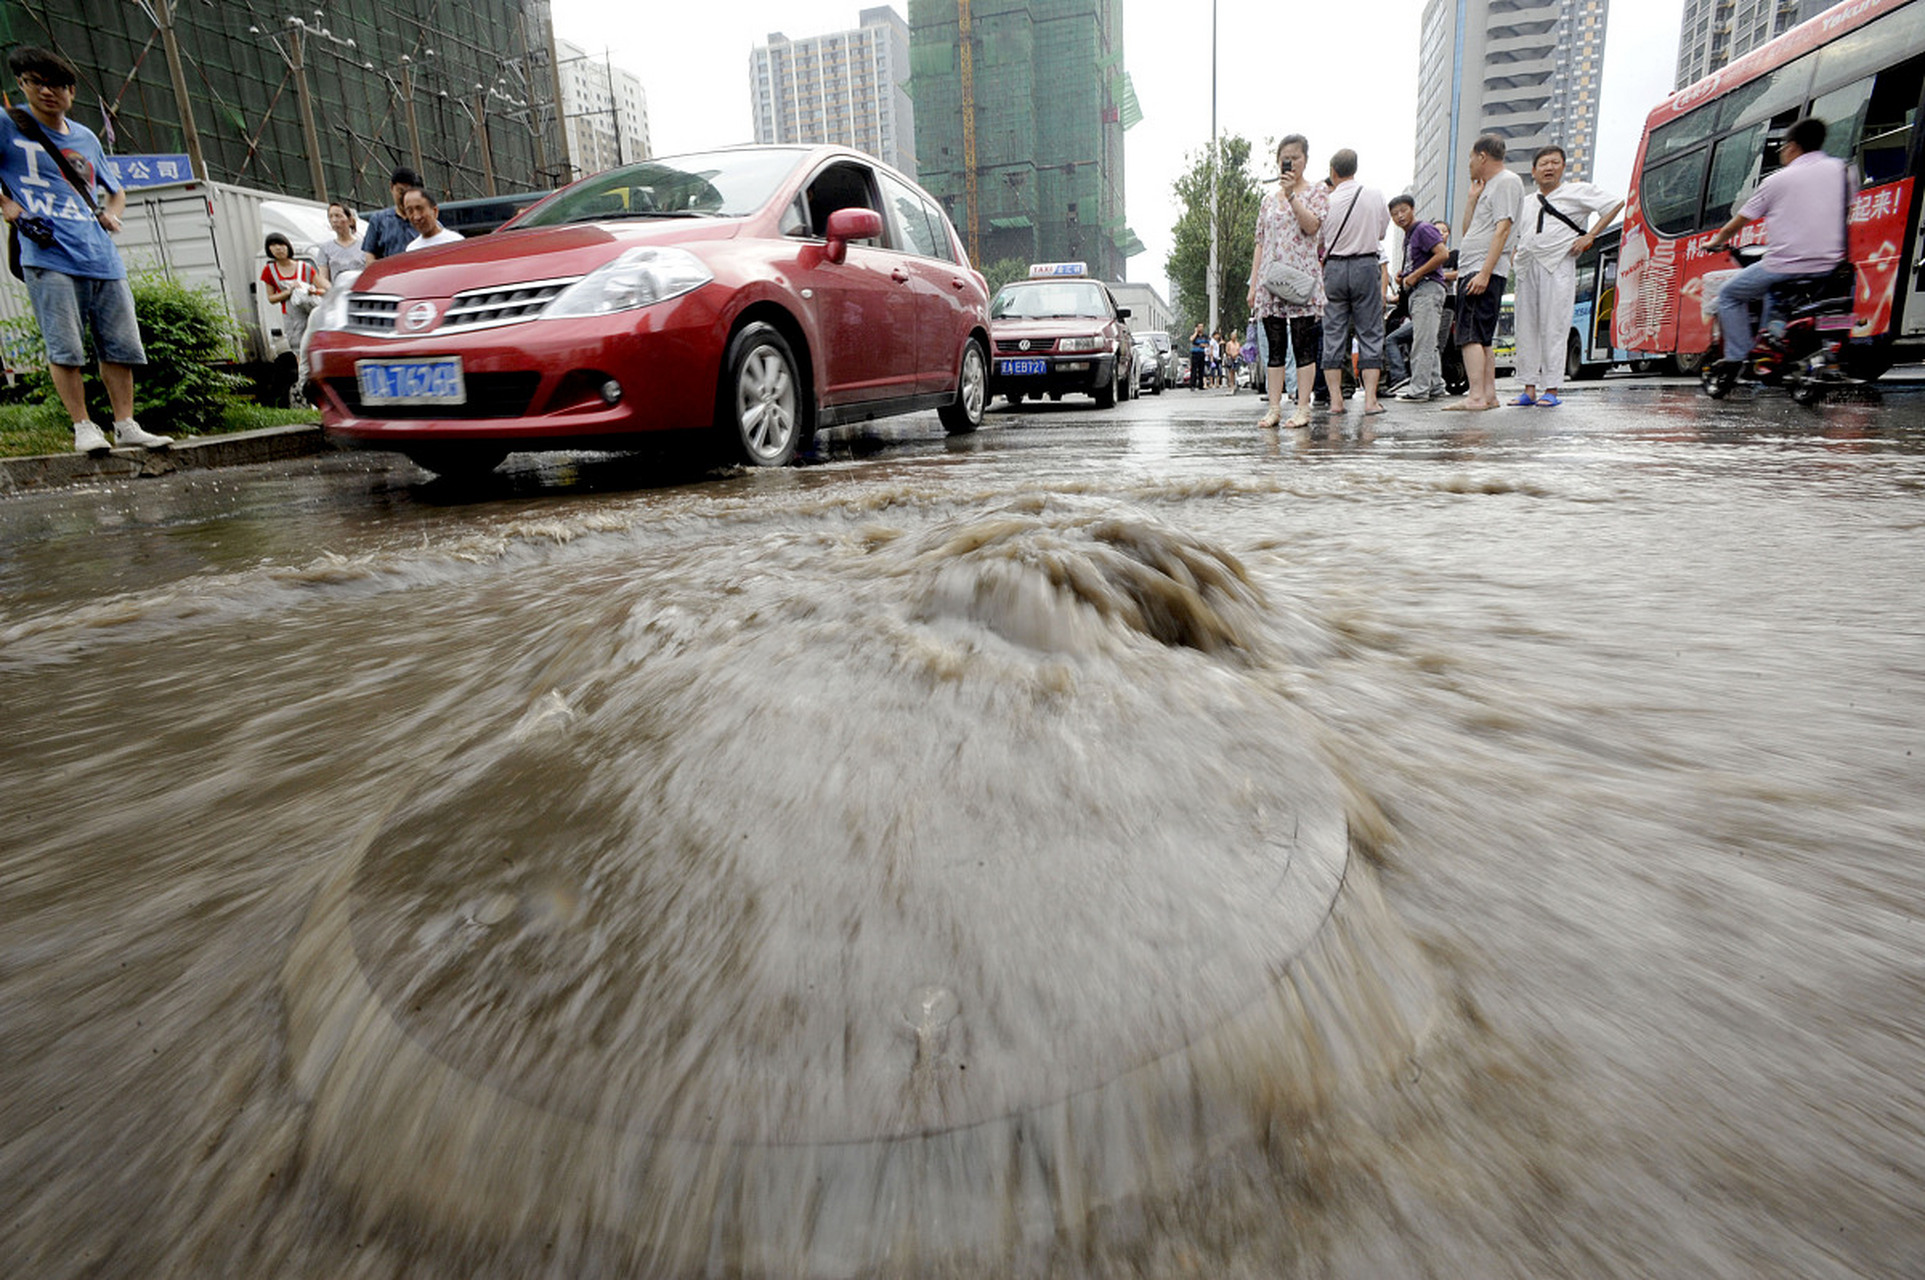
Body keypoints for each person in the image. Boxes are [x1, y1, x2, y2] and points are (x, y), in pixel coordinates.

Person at [0, 46, 171, 453]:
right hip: (48, 253)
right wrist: (7, 205)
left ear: (71, 92)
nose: (47, 92)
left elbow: (116, 190)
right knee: (66, 346)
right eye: (36, 83)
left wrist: (110, 214)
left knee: (121, 345)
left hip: (101, 255)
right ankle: (83, 427)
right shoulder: (7, 125)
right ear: (22, 84)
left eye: (57, 85)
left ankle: (126, 423)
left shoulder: (85, 137)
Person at [1704, 116, 1849, 371]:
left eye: (1782, 147)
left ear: (1792, 146)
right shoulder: (1842, 170)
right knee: (1775, 292)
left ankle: (1737, 358)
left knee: (1728, 294)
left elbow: (1736, 223)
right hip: (1831, 265)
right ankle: (1776, 343)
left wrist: (1716, 241)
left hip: (1785, 265)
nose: (1782, 152)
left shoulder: (1776, 180)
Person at [1510, 146, 1622, 406]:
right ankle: (1528, 389)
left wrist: (1590, 236)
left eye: (1555, 162)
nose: (1549, 168)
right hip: (1527, 267)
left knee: (1554, 326)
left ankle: (1551, 389)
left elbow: (1615, 204)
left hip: (1558, 263)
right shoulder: (1525, 202)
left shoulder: (1576, 191)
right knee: (1526, 329)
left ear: (1562, 167)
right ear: (1533, 171)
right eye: (1544, 164)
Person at [1246, 133, 1327, 429]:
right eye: (1285, 157)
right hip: (1272, 280)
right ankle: (1274, 408)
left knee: (1303, 344)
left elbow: (1312, 227)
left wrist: (1293, 195)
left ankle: (1303, 408)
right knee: (1275, 345)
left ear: (1306, 159)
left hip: (1301, 278)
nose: (1291, 162)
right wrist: (1254, 284)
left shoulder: (1316, 192)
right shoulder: (1268, 201)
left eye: (1296, 156)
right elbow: (1260, 242)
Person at [1446, 132, 1523, 412]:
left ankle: (1476, 396)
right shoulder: (1489, 187)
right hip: (1475, 265)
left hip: (1482, 269)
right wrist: (1472, 199)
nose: (1469, 164)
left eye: (1470, 158)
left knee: (1470, 336)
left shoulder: (1506, 182)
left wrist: (1484, 273)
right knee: (1482, 336)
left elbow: (1503, 229)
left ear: (1482, 156)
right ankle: (1487, 395)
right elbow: (1468, 231)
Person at [1318, 149, 1392, 422]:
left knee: (1334, 333)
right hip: (1365, 263)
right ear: (1355, 168)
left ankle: (1336, 400)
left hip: (1335, 268)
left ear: (1333, 171)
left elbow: (1320, 240)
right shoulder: (1374, 195)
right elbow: (1382, 232)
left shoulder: (1326, 201)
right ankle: (1371, 400)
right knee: (1370, 332)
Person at [1389, 195, 1450, 401]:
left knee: (1422, 342)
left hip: (1427, 288)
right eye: (1395, 213)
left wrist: (1415, 275)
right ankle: (1434, 385)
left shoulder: (1423, 229)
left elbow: (1442, 254)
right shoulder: (1410, 235)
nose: (1400, 216)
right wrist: (1405, 276)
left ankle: (1419, 389)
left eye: (1403, 210)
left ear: (1413, 209)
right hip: (1419, 290)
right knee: (1428, 340)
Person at [259, 232, 323, 393]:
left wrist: (310, 290)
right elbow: (271, 298)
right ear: (269, 250)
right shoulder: (269, 270)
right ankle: (307, 391)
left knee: (316, 350)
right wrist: (289, 292)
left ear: (288, 246)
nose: (278, 249)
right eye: (273, 245)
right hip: (292, 319)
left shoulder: (305, 267)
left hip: (312, 315)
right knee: (299, 354)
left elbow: (324, 289)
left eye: (281, 244)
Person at [362, 166, 422, 262]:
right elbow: (370, 256)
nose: (404, 198)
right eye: (400, 191)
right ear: (391, 187)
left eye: (408, 192)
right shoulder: (379, 220)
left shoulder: (424, 220)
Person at [312, 201, 364, 290]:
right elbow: (323, 277)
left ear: (350, 220)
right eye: (330, 217)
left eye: (338, 216)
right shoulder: (325, 248)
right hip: (338, 295)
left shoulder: (364, 246)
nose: (334, 220)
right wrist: (331, 290)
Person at [1188, 321, 1207, 391]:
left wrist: (1202, 345)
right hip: (1195, 353)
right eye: (1199, 327)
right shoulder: (1195, 335)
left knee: (1201, 369)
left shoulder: (1205, 336)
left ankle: (1201, 385)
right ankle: (1192, 385)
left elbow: (1207, 344)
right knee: (1194, 369)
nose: (1201, 328)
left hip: (1202, 353)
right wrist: (1196, 332)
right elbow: (1191, 339)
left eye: (1202, 327)